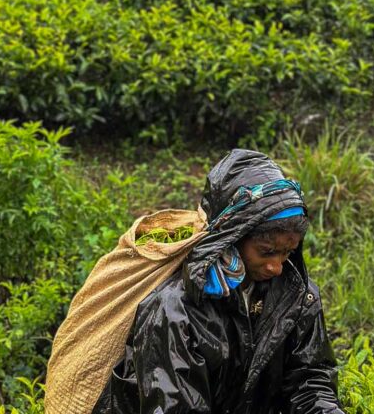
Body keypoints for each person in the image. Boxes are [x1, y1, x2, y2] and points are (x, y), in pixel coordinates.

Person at [91, 148, 345, 414]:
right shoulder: (176, 311)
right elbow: (175, 407)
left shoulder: (297, 296)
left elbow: (310, 381)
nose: (276, 267)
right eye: (266, 251)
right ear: (232, 237)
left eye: (287, 252)